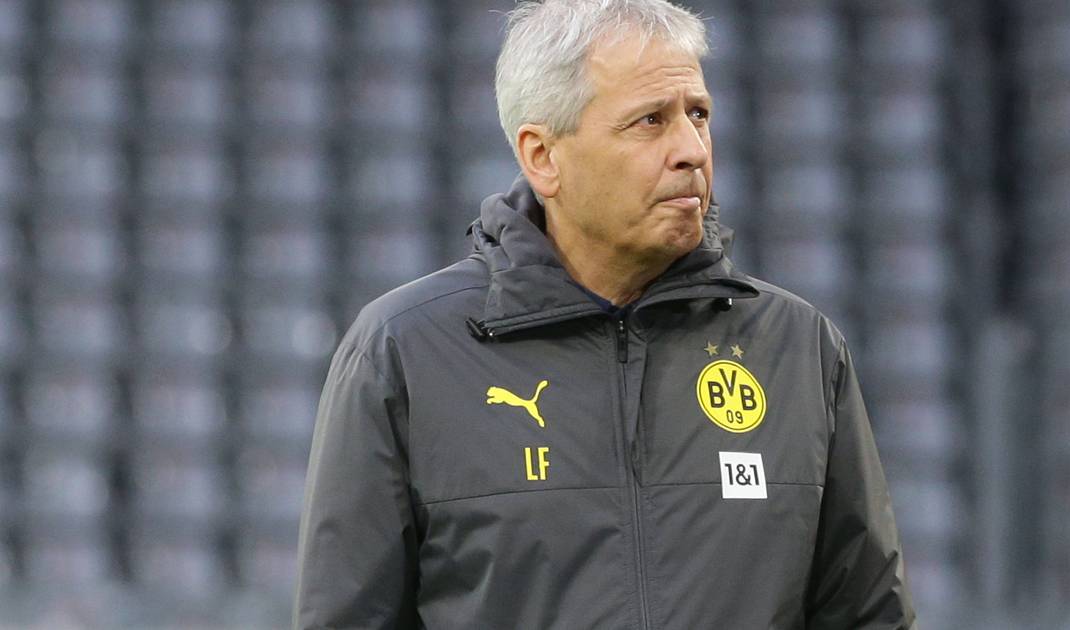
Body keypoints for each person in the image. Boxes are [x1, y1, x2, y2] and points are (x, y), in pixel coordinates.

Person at [293, 0, 918, 628]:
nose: (691, 150)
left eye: (698, 114)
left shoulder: (799, 347)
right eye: (650, 120)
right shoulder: (404, 351)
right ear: (543, 156)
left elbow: (869, 616)